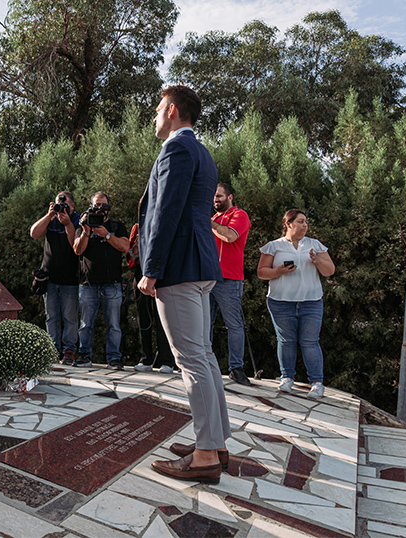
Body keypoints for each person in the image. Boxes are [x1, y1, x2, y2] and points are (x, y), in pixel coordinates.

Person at [138, 85, 228, 484]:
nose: (154, 117)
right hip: (199, 264)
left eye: (158, 110)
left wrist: (151, 268)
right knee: (203, 356)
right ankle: (216, 443)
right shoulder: (202, 152)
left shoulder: (176, 149)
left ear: (173, 111)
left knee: (192, 360)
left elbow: (165, 212)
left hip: (178, 267)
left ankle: (207, 455)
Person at [257, 209, 335, 399]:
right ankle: (287, 378)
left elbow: (330, 271)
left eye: (306, 222)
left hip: (311, 302)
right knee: (286, 341)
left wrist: (317, 260)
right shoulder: (273, 246)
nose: (305, 225)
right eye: (300, 221)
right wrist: (279, 272)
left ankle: (317, 383)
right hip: (280, 303)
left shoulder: (315, 245)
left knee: (310, 342)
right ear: (288, 224)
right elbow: (261, 272)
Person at [74, 192, 129, 370]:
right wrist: (86, 232)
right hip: (88, 283)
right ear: (90, 206)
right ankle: (84, 355)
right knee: (85, 323)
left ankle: (114, 358)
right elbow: (77, 250)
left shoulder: (116, 226)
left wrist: (106, 235)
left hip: (111, 282)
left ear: (109, 208)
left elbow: (125, 247)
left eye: (104, 206)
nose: (100, 209)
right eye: (97, 205)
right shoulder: (83, 225)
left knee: (113, 324)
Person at [29, 191, 80, 364]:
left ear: (72, 206)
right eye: (59, 204)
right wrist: (49, 214)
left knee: (70, 317)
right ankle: (52, 350)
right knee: (51, 316)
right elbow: (34, 233)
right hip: (49, 277)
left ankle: (69, 350)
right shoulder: (51, 218)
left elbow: (76, 245)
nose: (62, 208)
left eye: (65, 205)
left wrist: (67, 225)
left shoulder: (77, 220)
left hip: (70, 278)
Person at [208, 183, 251, 386]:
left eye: (219, 196)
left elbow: (230, 236)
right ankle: (205, 364)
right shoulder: (214, 218)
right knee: (203, 324)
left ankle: (236, 367)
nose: (215, 199)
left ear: (230, 197)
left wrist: (209, 224)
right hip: (207, 278)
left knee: (233, 325)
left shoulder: (239, 215)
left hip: (229, 279)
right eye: (213, 196)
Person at [129, 223, 175, 374]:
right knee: (143, 317)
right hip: (141, 272)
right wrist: (138, 241)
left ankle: (167, 360)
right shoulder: (138, 227)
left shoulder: (166, 224)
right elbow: (131, 255)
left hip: (162, 273)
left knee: (163, 318)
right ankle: (146, 358)